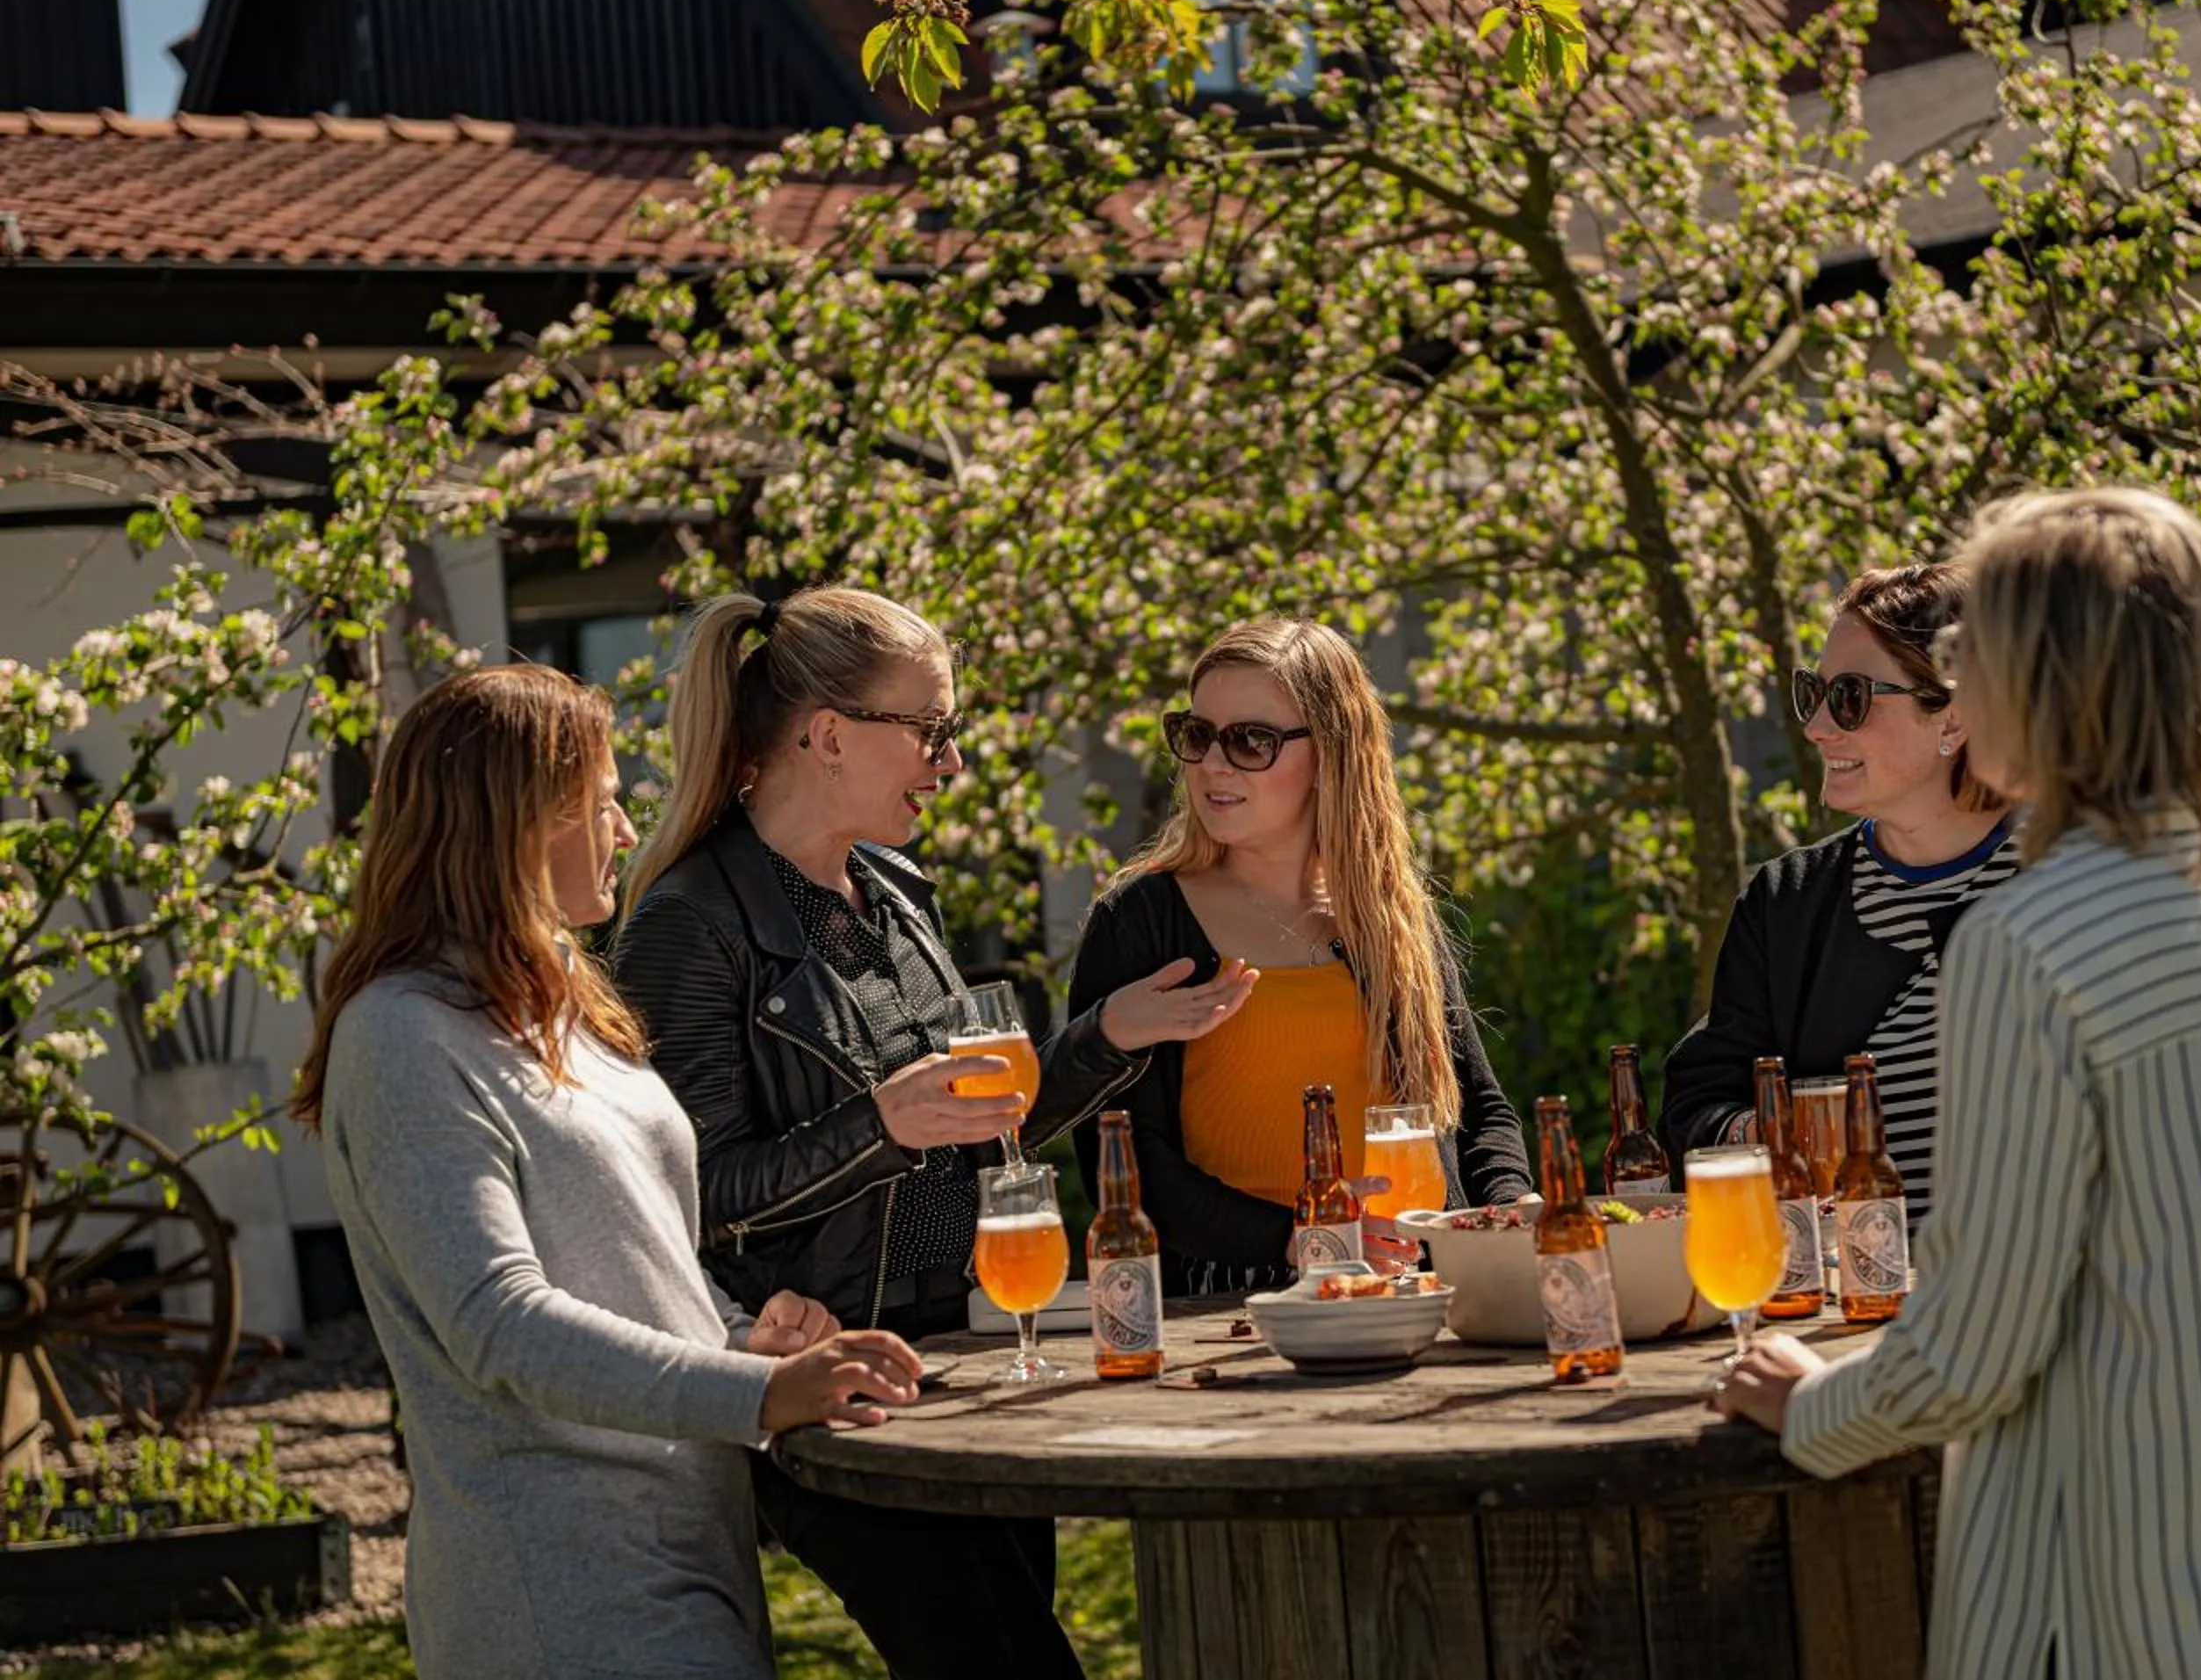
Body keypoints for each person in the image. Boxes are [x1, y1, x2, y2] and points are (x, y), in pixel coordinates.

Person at [1717, 487, 2201, 1680]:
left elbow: (1972, 1349)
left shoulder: (2034, 943)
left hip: (2134, 1603)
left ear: (2046, 682)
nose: (1961, 682)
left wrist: (1808, 1403)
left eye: (1976, 651)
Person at [294, 666, 921, 1680]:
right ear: (517, 822)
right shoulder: (404, 1035)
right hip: (557, 1590)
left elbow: (638, 1259)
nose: (627, 830)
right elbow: (499, 1321)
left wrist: (737, 1332)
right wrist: (759, 1390)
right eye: (602, 802)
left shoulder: (568, 1015)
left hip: (686, 1554)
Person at [610, 587, 1093, 1680]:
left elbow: (972, 1112)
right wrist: (879, 1126)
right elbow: (688, 1196)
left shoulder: (896, 890)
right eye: (930, 728)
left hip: (968, 1354)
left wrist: (1111, 1039)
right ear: (827, 735)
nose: (951, 761)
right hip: (836, 1384)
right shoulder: (690, 924)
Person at [1044, 618, 1532, 1293]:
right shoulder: (1140, 921)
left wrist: (1514, 1206)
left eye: (1251, 741)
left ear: (1332, 752)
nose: (1213, 764)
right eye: (1198, 734)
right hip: (1231, 1307)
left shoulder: (1390, 914)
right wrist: (1298, 1237)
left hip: (1420, 1287)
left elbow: (1478, 1109)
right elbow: (1125, 1161)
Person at [1661, 564, 2015, 1224]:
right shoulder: (1786, 905)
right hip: (1853, 1288)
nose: (1818, 726)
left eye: (1850, 697)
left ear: (1956, 716)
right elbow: (1693, 1105)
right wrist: (1760, 1135)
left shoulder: (2075, 880)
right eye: (1814, 694)